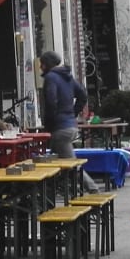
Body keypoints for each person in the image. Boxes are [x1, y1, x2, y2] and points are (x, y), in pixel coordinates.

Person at [39, 50, 100, 192]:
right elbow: (83, 94)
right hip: (70, 125)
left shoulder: (51, 78)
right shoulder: (67, 77)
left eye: (42, 64)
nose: (40, 67)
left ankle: (92, 188)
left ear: (47, 64)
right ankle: (52, 191)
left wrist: (49, 122)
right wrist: (72, 112)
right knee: (53, 162)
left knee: (71, 164)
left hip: (60, 128)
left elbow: (51, 102)